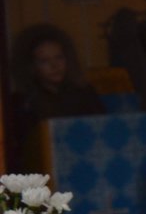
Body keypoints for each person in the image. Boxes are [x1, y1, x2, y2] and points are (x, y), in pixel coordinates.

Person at [11, 24, 105, 161]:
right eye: (44, 61)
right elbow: (28, 148)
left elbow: (101, 129)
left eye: (59, 58)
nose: (54, 66)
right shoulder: (24, 102)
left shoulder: (84, 93)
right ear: (32, 66)